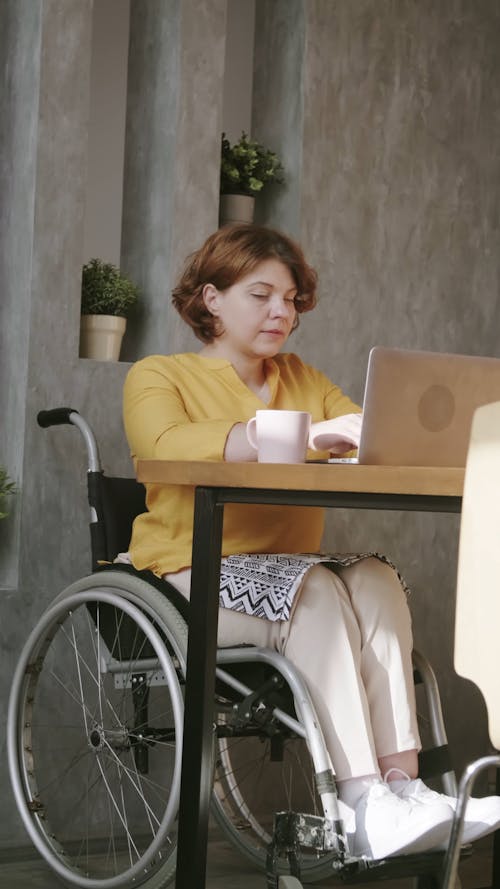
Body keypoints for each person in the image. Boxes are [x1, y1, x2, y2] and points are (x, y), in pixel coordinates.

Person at [122, 223, 500, 860]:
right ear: (211, 299)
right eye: (261, 294)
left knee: (375, 577)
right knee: (318, 590)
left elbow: (363, 428)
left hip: (286, 568)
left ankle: (403, 792)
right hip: (191, 564)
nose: (281, 311)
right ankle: (360, 800)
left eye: (291, 299)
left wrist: (368, 436)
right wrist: (296, 436)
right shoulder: (159, 376)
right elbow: (163, 447)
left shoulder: (301, 375)